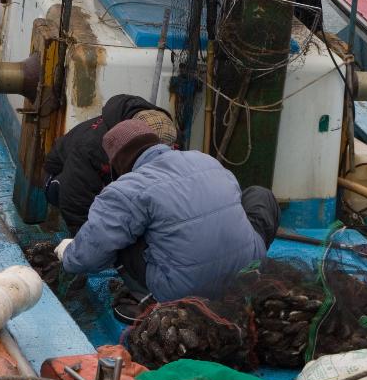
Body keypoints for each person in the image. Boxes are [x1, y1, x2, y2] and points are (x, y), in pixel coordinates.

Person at [53, 119, 276, 320]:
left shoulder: (126, 188)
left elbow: (89, 258)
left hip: (181, 292)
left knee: (118, 239)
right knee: (259, 195)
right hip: (246, 275)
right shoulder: (206, 160)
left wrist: (68, 253)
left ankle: (146, 300)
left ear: (117, 162)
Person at [43, 94, 177, 234]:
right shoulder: (92, 146)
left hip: (109, 174)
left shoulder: (166, 129)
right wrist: (85, 241)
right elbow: (75, 200)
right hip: (60, 177)